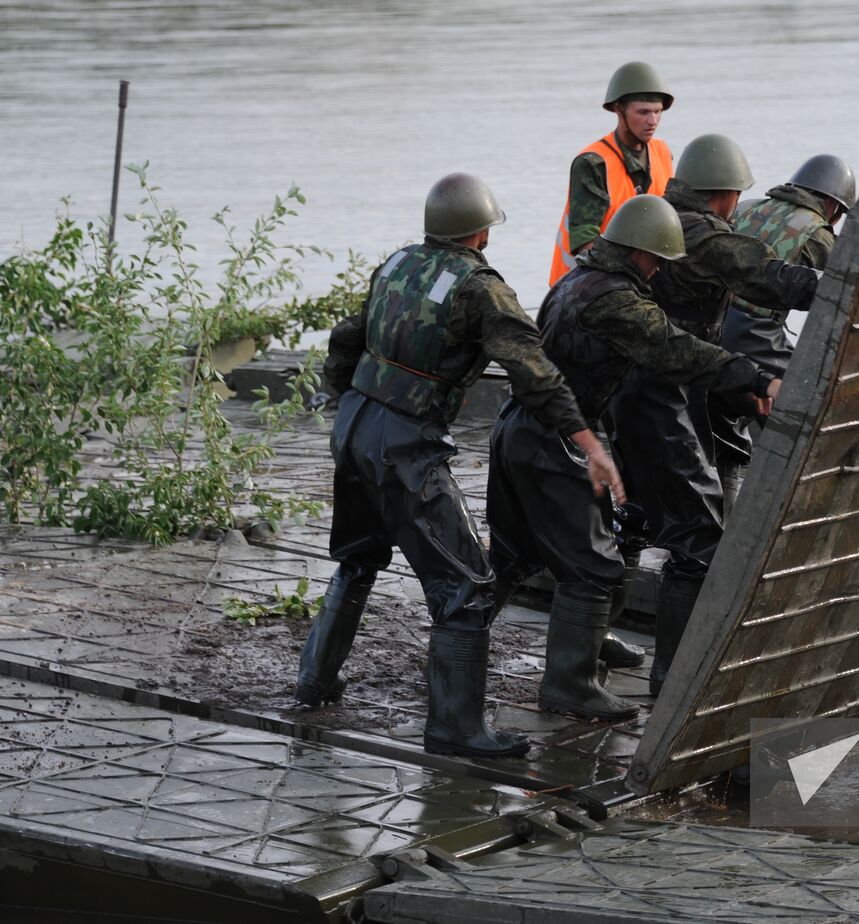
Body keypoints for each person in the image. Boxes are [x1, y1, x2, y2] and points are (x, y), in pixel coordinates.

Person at [293, 173, 622, 760]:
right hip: (406, 443)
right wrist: (589, 444)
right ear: (482, 231)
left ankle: (314, 682)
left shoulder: (397, 264)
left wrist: (338, 397)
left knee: (358, 558)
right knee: (467, 586)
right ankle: (455, 728)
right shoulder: (481, 288)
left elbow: (346, 338)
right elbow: (534, 372)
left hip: (356, 424)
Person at [489, 195, 780, 719]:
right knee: (593, 566)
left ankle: (464, 639)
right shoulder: (617, 301)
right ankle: (569, 685)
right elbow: (678, 349)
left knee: (513, 557)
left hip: (520, 427)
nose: (659, 271)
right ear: (641, 253)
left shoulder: (576, 280)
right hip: (554, 438)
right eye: (658, 261)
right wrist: (759, 378)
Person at [608, 133, 820, 696]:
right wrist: (849, 284)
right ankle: (674, 681)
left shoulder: (661, 217)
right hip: (663, 394)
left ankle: (592, 648)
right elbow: (772, 278)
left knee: (634, 517)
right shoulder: (702, 234)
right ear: (725, 194)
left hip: (633, 388)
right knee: (698, 541)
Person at [713, 154, 856, 512]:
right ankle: (813, 507)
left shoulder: (746, 206)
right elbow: (836, 300)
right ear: (832, 206)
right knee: (808, 412)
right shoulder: (818, 232)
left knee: (724, 427)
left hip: (708, 329)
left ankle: (724, 517)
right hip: (753, 335)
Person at [548, 61, 675, 286]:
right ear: (619, 109)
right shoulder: (592, 163)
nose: (653, 121)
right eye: (643, 112)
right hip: (580, 286)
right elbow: (584, 242)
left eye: (658, 112)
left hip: (638, 280)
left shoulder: (662, 153)